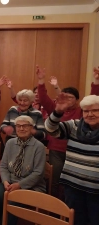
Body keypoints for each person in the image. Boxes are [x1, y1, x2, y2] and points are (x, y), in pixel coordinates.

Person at [37, 65, 99, 198]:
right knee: (55, 181)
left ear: (77, 100)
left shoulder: (82, 112)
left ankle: (68, 211)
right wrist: (41, 81)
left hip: (77, 154)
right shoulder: (57, 108)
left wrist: (96, 82)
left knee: (70, 185)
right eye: (66, 97)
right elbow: (43, 98)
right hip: (56, 151)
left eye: (71, 98)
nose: (68, 100)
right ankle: (54, 211)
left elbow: (94, 99)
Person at [45, 94, 99, 225]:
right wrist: (58, 112)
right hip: (73, 187)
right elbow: (50, 129)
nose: (90, 114)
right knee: (76, 221)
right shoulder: (74, 125)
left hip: (96, 190)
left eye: (95, 110)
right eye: (86, 111)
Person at [0, 115, 46, 225]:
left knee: (13, 202)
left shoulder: (39, 147)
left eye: (25, 126)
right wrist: (5, 181)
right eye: (18, 126)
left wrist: (19, 185)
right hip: (10, 181)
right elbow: (3, 166)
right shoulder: (10, 143)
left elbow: (38, 173)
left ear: (31, 128)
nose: (21, 129)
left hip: (30, 185)